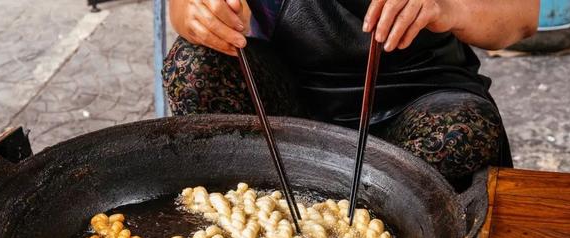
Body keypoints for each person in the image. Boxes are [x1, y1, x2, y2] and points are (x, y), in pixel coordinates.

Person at [163, 0, 539, 181]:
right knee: (194, 63)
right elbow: (183, 9)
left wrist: (449, 7)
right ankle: (251, 234)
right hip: (294, 99)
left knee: (461, 132)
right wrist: (198, 14)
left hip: (419, 93)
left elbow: (520, 19)